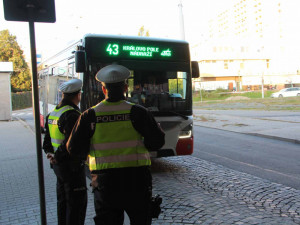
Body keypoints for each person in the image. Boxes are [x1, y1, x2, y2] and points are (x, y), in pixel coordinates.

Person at [67, 64, 165, 225]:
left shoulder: (89, 116)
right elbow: (156, 143)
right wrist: (158, 131)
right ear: (125, 88)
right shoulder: (139, 112)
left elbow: (73, 149)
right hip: (137, 180)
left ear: (103, 89)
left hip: (105, 183)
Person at [43, 79, 87, 225]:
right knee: (76, 207)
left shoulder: (53, 113)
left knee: (63, 204)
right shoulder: (72, 115)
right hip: (72, 168)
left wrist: (51, 155)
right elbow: (71, 143)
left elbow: (47, 142)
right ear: (77, 95)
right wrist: (57, 156)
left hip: (59, 168)